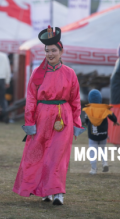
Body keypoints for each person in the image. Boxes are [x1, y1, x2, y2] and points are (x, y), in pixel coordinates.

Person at [13, 26, 85, 206]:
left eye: (54, 50)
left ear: (61, 51)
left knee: (58, 156)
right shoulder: (37, 74)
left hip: (63, 117)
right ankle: (44, 191)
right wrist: (30, 122)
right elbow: (30, 99)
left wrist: (77, 123)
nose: (50, 54)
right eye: (47, 51)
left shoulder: (70, 73)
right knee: (41, 155)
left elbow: (76, 100)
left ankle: (58, 192)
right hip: (42, 117)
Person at [83, 89, 119, 175]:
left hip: (93, 135)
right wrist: (115, 121)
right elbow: (112, 115)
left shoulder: (88, 109)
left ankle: (93, 168)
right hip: (103, 134)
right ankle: (104, 163)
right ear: (100, 99)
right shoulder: (104, 108)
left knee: (92, 151)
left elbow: (86, 121)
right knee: (103, 149)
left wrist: (89, 123)